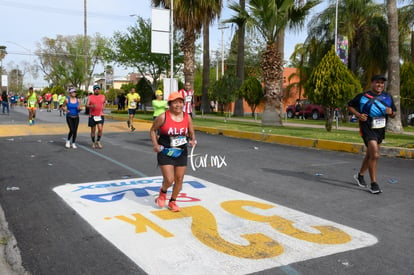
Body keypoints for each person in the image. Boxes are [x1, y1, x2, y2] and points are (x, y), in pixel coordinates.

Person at [347, 75, 397, 194]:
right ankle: (374, 184)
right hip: (367, 127)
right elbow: (349, 105)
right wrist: (359, 115)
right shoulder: (362, 96)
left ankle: (360, 175)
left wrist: (391, 113)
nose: (380, 85)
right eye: (377, 82)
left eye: (382, 83)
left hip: (380, 129)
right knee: (375, 154)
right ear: (372, 84)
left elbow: (394, 113)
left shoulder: (387, 97)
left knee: (370, 154)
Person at [150, 91, 197, 212]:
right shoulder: (163, 117)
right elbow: (152, 130)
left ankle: (172, 201)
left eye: (181, 102)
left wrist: (192, 140)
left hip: (181, 151)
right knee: (169, 179)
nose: (178, 105)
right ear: (170, 104)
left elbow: (191, 132)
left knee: (179, 179)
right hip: (165, 151)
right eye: (175, 102)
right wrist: (155, 145)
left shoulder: (187, 117)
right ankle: (163, 191)